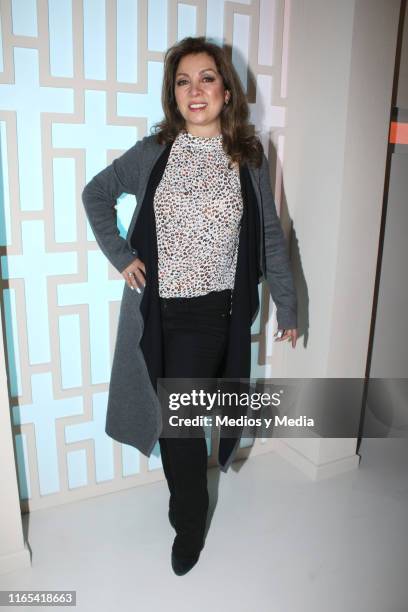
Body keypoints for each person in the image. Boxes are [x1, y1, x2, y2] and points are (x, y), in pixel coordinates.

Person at [82, 36, 298, 576]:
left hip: (212, 316)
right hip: (157, 314)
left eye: (206, 78)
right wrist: (122, 256)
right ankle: (188, 507)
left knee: (180, 423)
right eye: (183, 81)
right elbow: (96, 194)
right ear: (173, 95)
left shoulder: (247, 158)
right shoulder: (154, 152)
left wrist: (289, 308)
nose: (194, 89)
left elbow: (270, 238)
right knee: (171, 420)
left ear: (227, 90)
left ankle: (188, 521)